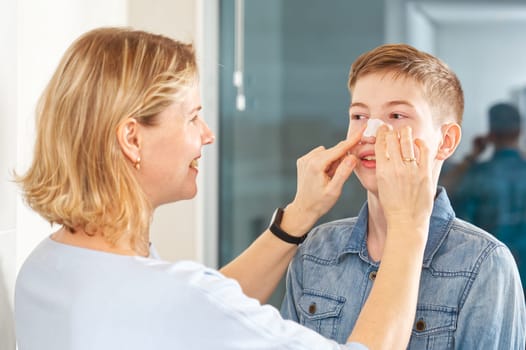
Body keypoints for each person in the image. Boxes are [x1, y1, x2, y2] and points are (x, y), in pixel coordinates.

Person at [13, 27, 436, 350]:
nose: (208, 134)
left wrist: (298, 217)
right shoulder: (172, 295)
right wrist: (409, 224)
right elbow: (195, 307)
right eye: (192, 117)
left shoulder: (47, 265)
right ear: (132, 138)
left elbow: (191, 316)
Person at [281, 44, 526, 349]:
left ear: (445, 141)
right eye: (358, 115)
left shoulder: (485, 264)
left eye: (396, 115)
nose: (370, 133)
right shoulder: (316, 250)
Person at [445, 102, 526, 289]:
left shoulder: (477, 174)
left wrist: (472, 156)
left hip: (490, 267)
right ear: (520, 131)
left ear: (491, 134)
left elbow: (441, 194)